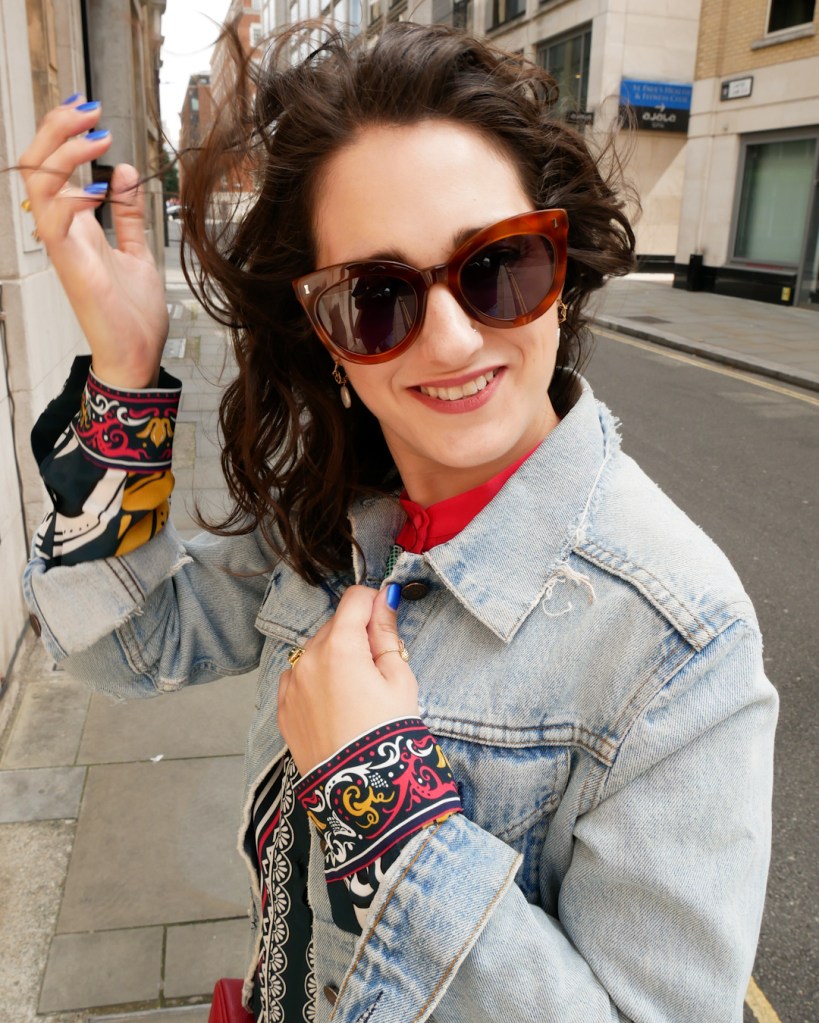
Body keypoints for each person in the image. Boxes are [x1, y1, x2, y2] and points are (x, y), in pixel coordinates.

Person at [18, 21, 777, 1023]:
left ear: (563, 266)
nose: (455, 339)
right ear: (323, 335)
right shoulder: (341, 512)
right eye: (376, 297)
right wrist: (122, 362)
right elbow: (122, 646)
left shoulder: (678, 636)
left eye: (498, 265)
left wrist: (383, 804)